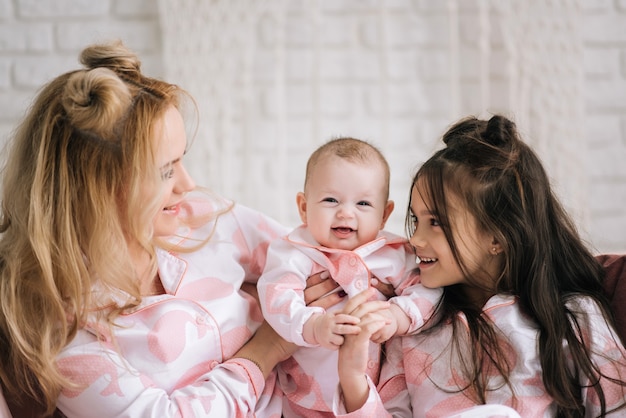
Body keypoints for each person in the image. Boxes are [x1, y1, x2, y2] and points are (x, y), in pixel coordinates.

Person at [0, 40, 343, 418]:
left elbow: (323, 262)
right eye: (166, 170)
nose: (187, 183)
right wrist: (266, 349)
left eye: (182, 161)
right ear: (98, 190)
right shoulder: (61, 320)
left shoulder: (203, 217)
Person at [335, 115, 626, 417]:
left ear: (497, 237)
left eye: (436, 222)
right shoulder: (411, 327)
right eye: (416, 220)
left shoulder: (575, 318)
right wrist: (353, 379)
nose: (416, 239)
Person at [257, 137, 442, 416]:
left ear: (384, 215)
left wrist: (397, 316)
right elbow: (276, 297)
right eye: (331, 200)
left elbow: (426, 289)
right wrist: (314, 325)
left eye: (363, 203)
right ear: (304, 207)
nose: (345, 212)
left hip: (377, 387)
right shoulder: (294, 252)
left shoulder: (393, 253)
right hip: (304, 390)